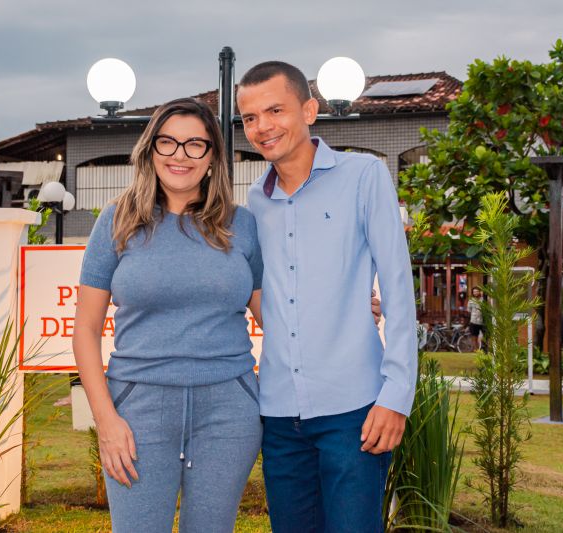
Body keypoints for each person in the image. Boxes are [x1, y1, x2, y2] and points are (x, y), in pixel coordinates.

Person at [237, 61, 417, 533]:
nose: (262, 127)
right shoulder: (255, 204)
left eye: (275, 110)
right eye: (250, 118)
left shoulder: (365, 176)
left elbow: (398, 290)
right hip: (278, 413)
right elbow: (263, 296)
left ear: (310, 110)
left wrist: (396, 396)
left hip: (355, 409)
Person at [72, 98, 264, 533]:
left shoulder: (243, 225)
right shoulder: (116, 221)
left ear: (213, 156)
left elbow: (272, 314)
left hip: (229, 409)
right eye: (169, 142)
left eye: (195, 144)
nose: (180, 154)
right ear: (150, 150)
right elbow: (84, 331)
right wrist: (106, 420)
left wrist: (341, 300)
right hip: (137, 410)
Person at [467, 287, 485, 351]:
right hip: (474, 321)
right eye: (474, 292)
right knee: (474, 336)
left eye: (477, 291)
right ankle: (476, 350)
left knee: (485, 335)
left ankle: (484, 348)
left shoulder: (483, 300)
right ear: (472, 293)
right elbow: (469, 310)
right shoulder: (471, 301)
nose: (476, 293)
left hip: (483, 321)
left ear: (480, 292)